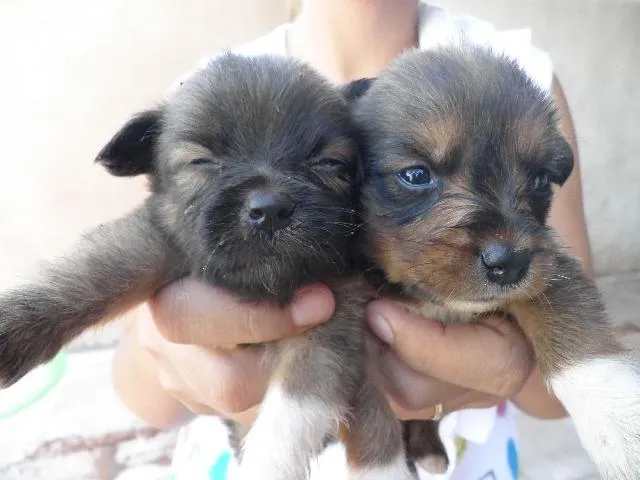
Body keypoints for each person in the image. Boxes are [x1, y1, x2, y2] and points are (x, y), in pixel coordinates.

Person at [112, 1, 595, 478]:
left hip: (467, 455)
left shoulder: (524, 80)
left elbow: (564, 356)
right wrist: (166, 342)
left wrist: (526, 367)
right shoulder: (203, 96)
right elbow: (143, 389)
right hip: (240, 453)